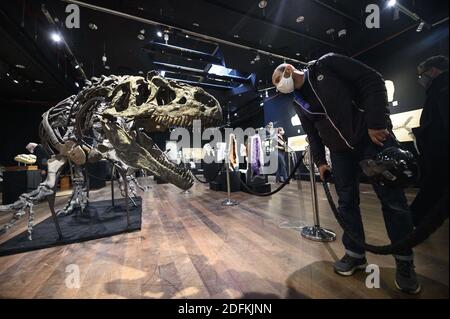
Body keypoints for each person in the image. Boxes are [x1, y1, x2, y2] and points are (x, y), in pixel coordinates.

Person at [272, 53, 420, 294]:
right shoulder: (298, 102)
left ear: (289, 70)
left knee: (392, 202)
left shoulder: (327, 65)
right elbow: (313, 134)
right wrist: (320, 161)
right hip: (340, 154)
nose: (278, 85)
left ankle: (405, 263)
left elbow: (372, 80)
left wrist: (377, 122)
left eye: (278, 79)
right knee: (346, 202)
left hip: (370, 140)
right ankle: (354, 254)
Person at [411, 56, 449, 227]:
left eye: (423, 74)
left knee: (432, 184)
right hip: (438, 146)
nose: (421, 78)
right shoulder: (440, 87)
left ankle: (413, 220)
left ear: (433, 70)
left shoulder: (442, 86)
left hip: (440, 148)